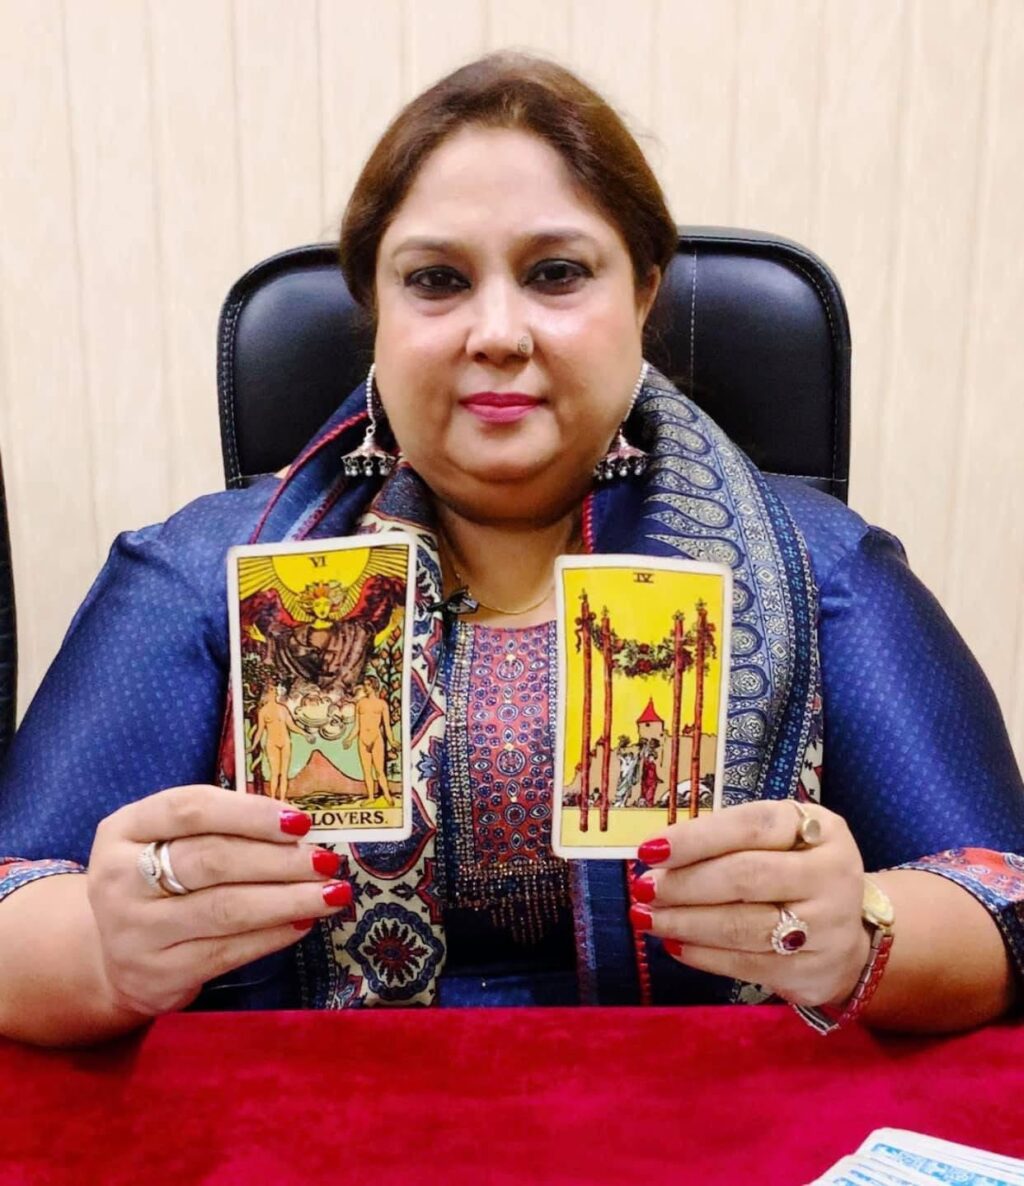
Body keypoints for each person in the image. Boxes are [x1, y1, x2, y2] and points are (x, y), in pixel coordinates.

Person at [1, 51, 1022, 1045]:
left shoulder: (819, 569)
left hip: (703, 1122)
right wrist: (106, 951)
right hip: (318, 1124)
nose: (497, 330)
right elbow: (15, 905)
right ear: (375, 310)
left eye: (556, 273)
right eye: (437, 279)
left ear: (643, 294)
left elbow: (1000, 904)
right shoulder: (198, 574)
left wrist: (863, 934)